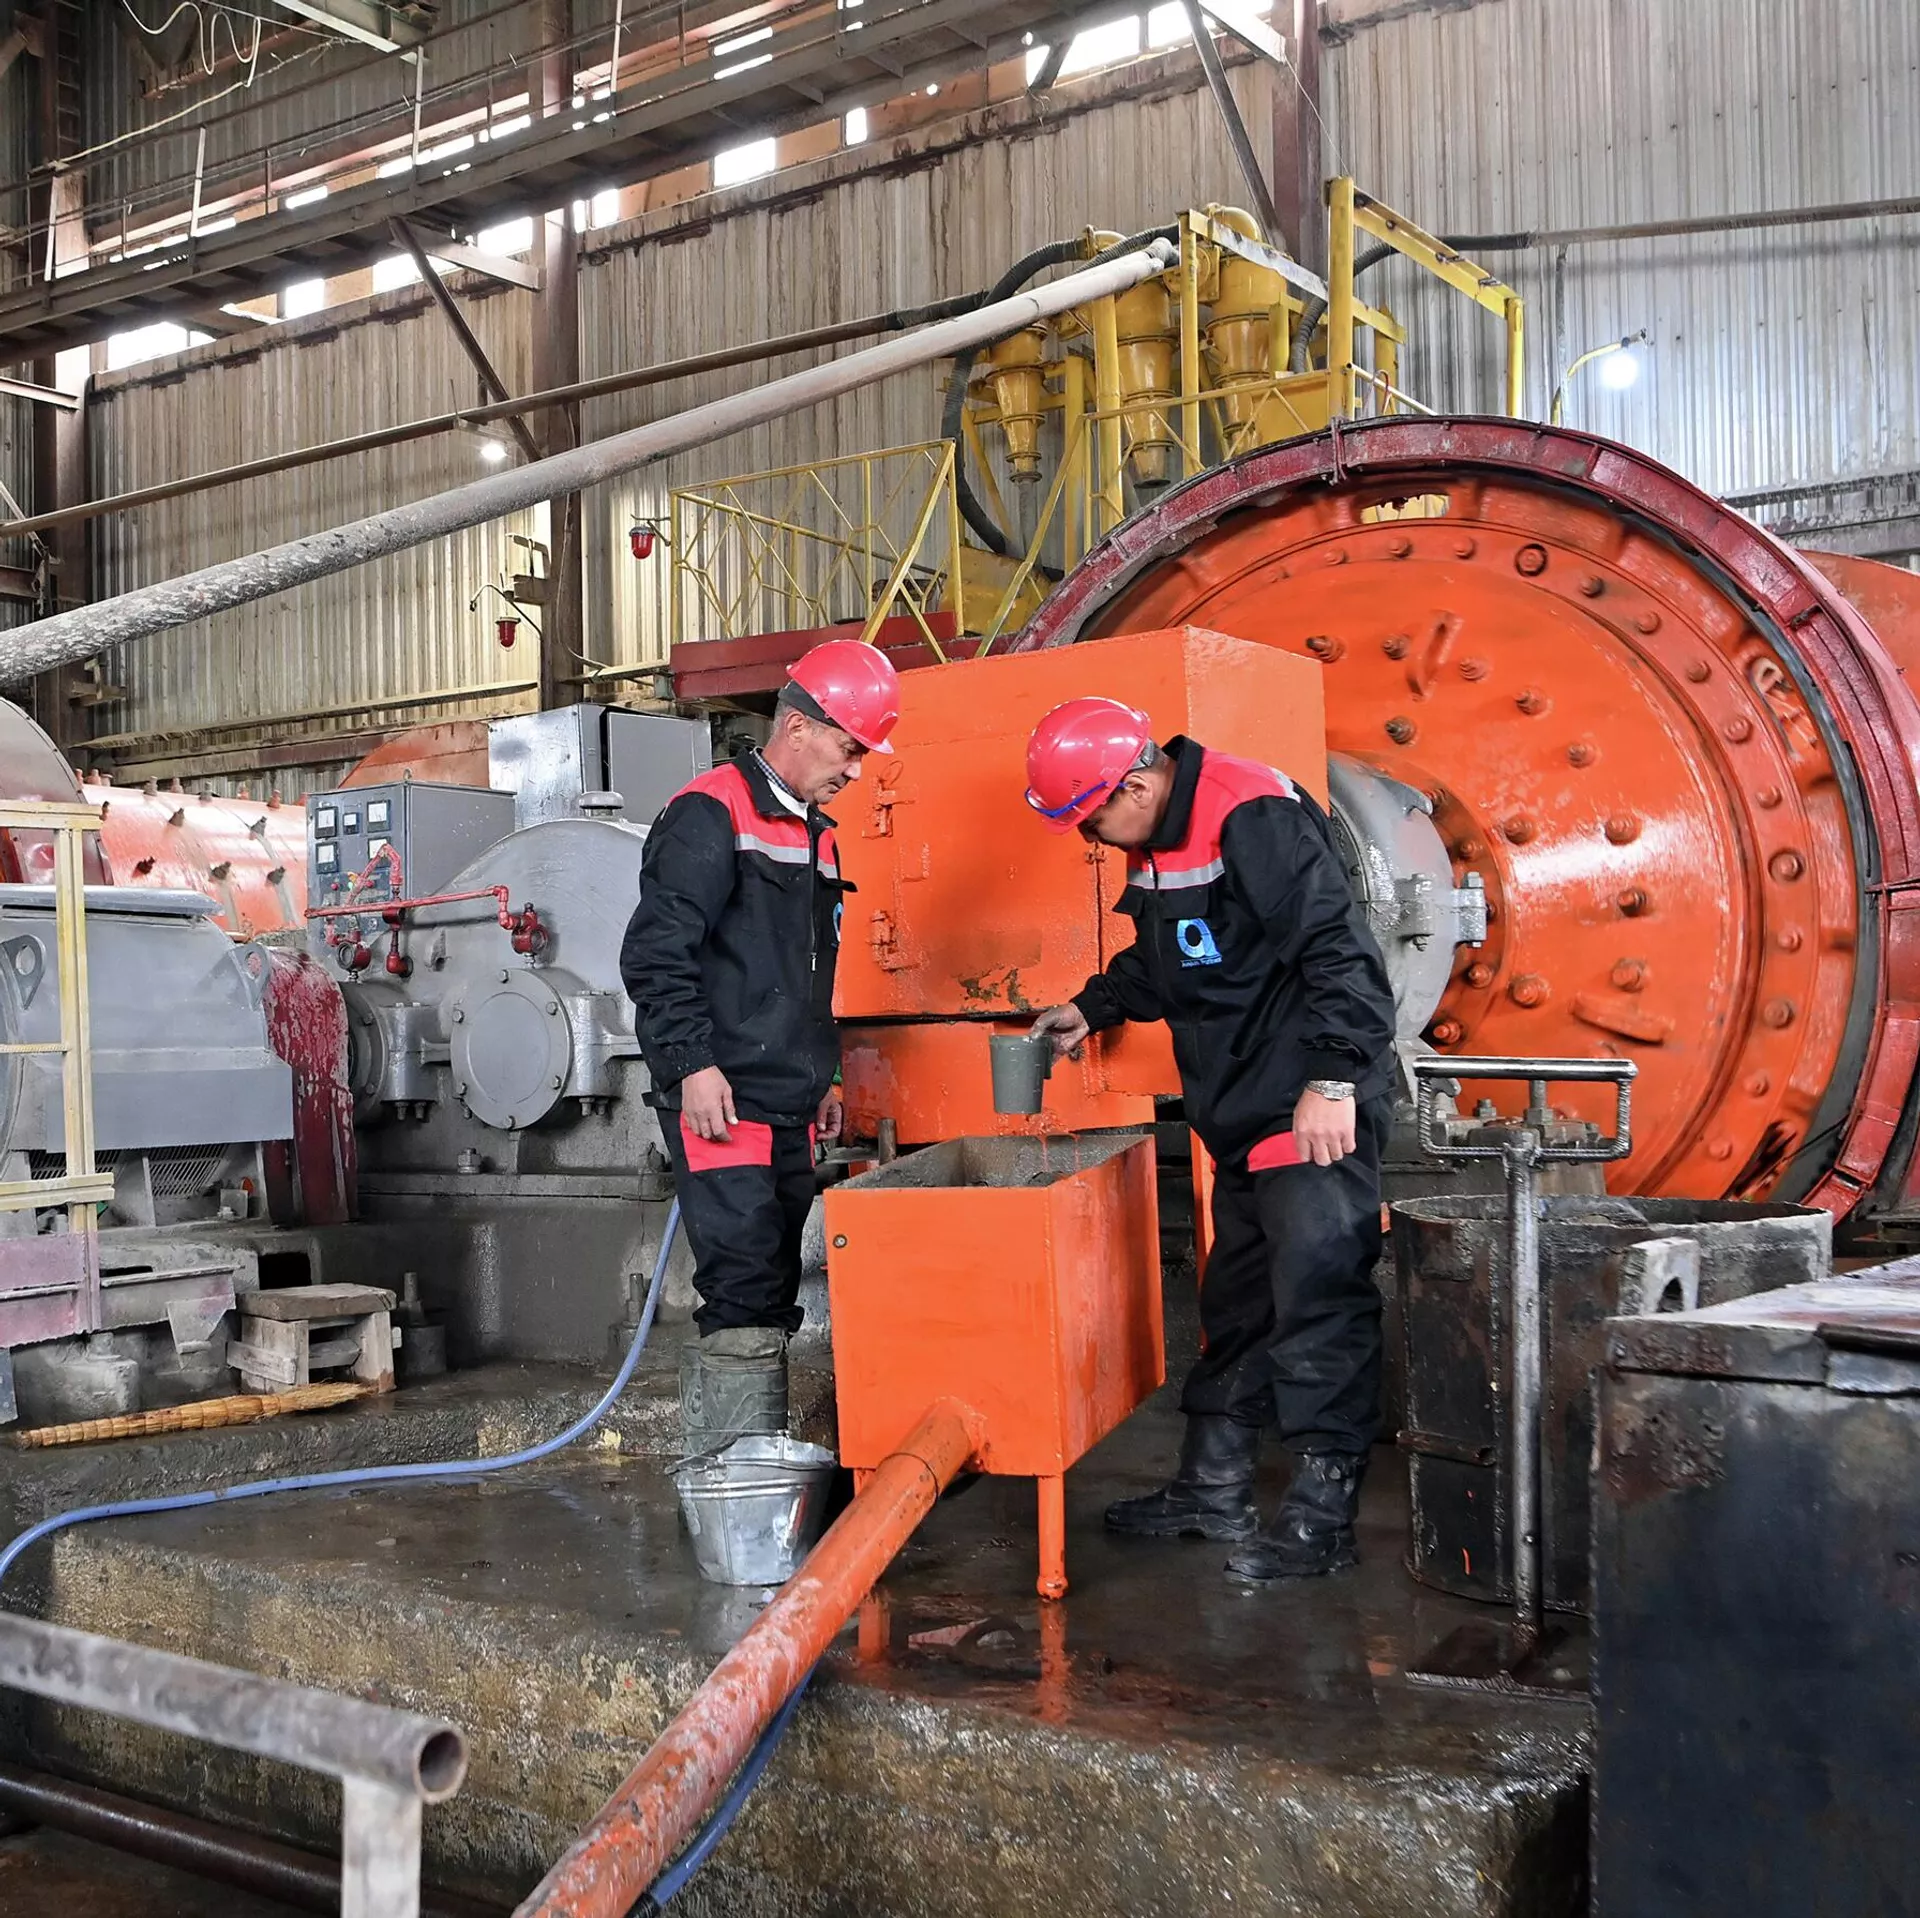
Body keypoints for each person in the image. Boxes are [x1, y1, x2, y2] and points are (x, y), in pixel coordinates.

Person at [1023, 697, 1397, 1582]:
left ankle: (1321, 1519)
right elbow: (1174, 959)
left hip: (1302, 1105)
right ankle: (1214, 1487)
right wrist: (1094, 1006)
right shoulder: (1157, 838)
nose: (1090, 838)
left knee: (1319, 1300)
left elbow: (1339, 951)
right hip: (1241, 1109)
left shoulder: (1249, 811)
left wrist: (1334, 1079)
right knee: (1239, 1305)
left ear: (1137, 784)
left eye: (1091, 818)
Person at [620, 638, 899, 1451]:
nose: (856, 770)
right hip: (724, 1096)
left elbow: (811, 975)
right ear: (800, 727)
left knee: (774, 1280)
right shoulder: (710, 813)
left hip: (788, 1099)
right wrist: (692, 1065)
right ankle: (735, 1482)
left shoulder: (821, 836)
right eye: (850, 748)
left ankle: (760, 1471)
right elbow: (656, 956)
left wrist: (827, 1075)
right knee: (742, 1283)